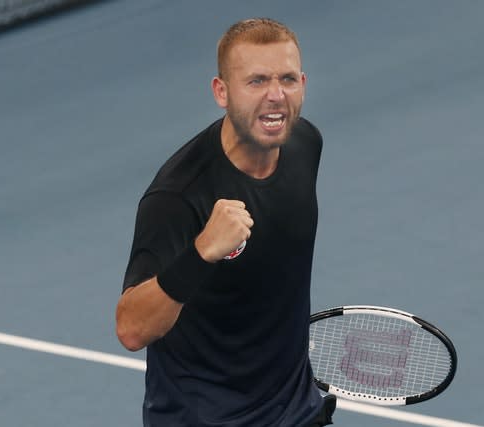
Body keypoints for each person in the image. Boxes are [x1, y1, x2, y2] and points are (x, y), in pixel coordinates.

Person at [115, 18, 336, 427]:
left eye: (287, 79)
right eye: (256, 82)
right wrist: (201, 253)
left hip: (296, 414)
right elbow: (130, 328)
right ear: (222, 92)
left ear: (303, 83)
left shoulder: (306, 145)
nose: (276, 96)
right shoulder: (177, 197)